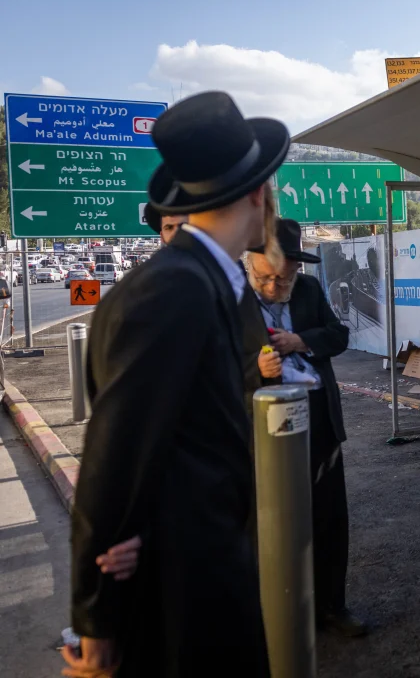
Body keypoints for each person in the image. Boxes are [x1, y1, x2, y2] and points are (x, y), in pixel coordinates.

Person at [66, 91, 287, 678]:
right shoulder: (173, 291)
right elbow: (113, 458)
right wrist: (97, 621)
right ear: (258, 193)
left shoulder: (199, 280)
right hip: (178, 599)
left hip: (201, 571)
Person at [243, 218, 366, 637]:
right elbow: (211, 368)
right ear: (250, 264)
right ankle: (276, 614)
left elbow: (339, 335)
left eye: (285, 278)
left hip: (318, 418)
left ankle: (332, 606)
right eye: (268, 278)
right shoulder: (232, 302)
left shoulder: (310, 290)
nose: (276, 287)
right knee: (270, 524)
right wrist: (256, 370)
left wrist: (302, 341)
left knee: (329, 518)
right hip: (264, 427)